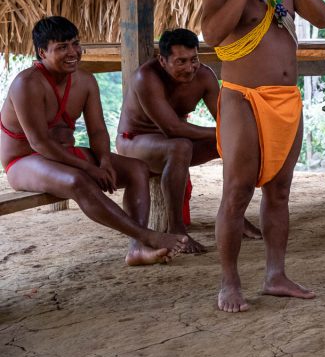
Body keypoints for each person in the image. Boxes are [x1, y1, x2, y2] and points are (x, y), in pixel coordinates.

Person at [202, 0, 325, 312]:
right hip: (243, 96)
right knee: (237, 192)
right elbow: (212, 34)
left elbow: (324, 19)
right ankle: (229, 282)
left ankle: (275, 275)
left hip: (285, 99)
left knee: (279, 191)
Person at [1, 16, 188, 265]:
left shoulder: (85, 81)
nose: (72, 52)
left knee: (137, 169)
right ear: (42, 52)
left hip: (64, 156)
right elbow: (40, 143)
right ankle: (146, 236)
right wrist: (90, 168)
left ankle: (138, 249)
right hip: (24, 161)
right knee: (77, 180)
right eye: (62, 47)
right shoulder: (27, 84)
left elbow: (98, 131)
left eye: (75, 44)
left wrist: (104, 161)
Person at [117, 28, 260, 253]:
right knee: (181, 146)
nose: (189, 67)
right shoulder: (147, 77)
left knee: (235, 144)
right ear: (162, 60)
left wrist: (233, 136)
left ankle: (235, 215)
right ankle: (177, 228)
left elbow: (225, 119)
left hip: (176, 143)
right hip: (135, 143)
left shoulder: (204, 75)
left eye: (194, 60)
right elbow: (172, 128)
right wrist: (224, 133)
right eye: (180, 61)